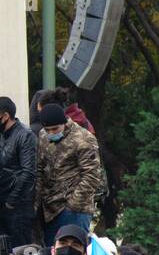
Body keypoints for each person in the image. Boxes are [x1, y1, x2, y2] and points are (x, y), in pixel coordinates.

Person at [35, 103, 106, 245]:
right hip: (50, 208)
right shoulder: (43, 136)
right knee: (53, 254)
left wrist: (73, 205)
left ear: (64, 122)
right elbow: (39, 169)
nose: (52, 133)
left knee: (73, 252)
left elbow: (91, 175)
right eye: (48, 129)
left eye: (55, 129)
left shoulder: (83, 138)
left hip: (75, 209)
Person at [0, 96, 37, 250]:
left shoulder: (25, 135)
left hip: (18, 207)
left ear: (6, 116)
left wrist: (12, 200)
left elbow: (28, 172)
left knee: (22, 252)